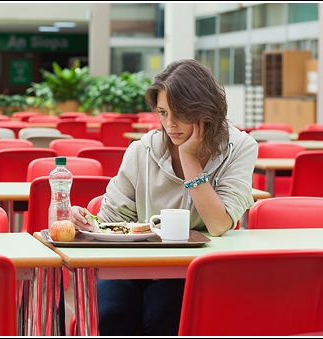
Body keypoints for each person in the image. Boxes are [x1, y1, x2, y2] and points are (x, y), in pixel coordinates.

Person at [70, 59, 258, 336]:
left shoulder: (240, 148)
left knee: (165, 315)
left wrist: (189, 158)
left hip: (193, 270)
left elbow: (219, 225)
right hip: (132, 267)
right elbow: (110, 221)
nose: (170, 124)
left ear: (206, 111)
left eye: (180, 113)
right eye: (162, 112)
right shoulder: (142, 150)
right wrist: (86, 221)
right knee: (111, 315)